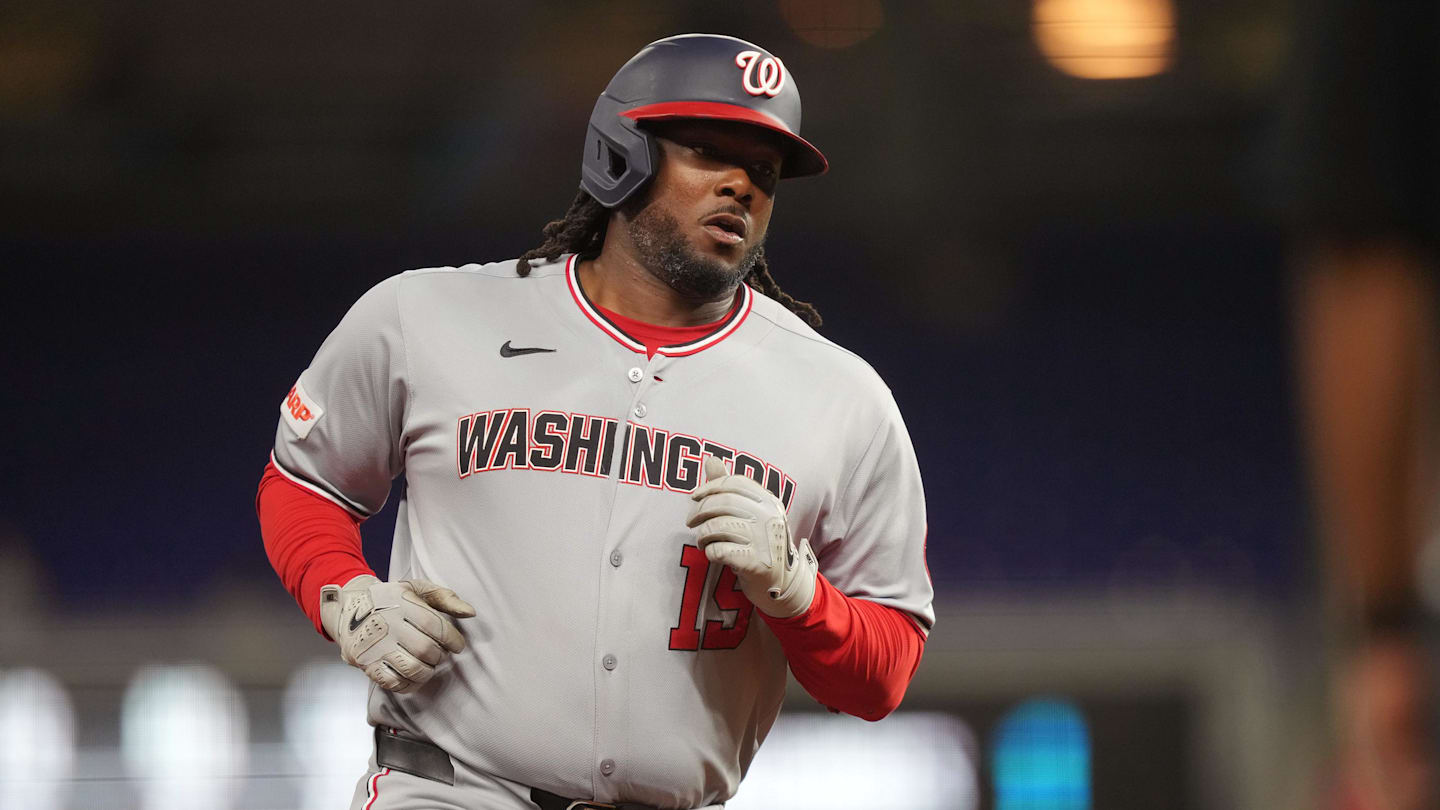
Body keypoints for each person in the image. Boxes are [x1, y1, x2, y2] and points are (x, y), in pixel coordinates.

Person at [255, 33, 933, 810]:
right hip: (448, 791)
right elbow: (305, 480)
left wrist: (799, 595)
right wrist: (344, 591)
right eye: (709, 151)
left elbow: (883, 676)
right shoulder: (427, 315)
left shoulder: (842, 397)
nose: (742, 185)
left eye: (764, 171)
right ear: (622, 154)